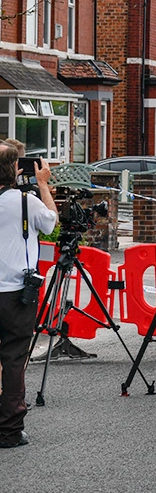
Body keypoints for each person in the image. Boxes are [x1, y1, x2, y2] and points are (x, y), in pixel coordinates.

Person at [0, 148, 58, 448]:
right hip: (15, 294)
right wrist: (43, 185)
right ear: (14, 170)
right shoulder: (25, 202)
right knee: (13, 359)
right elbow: (50, 223)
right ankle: (9, 431)